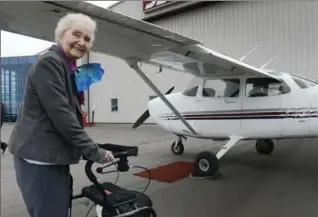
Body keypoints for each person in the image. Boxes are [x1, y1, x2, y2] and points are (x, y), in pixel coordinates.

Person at [7, 13, 114, 217]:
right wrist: (95, 151)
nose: (81, 42)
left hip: (53, 157)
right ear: (61, 34)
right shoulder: (50, 63)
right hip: (39, 158)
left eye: (87, 39)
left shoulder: (66, 66)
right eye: (76, 34)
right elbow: (63, 116)